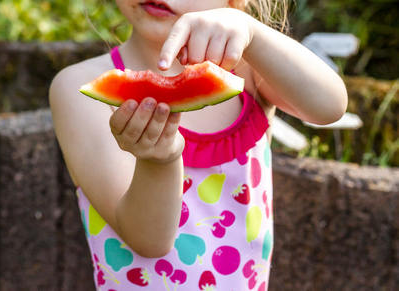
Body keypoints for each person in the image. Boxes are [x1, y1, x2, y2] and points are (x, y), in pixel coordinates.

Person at [49, 0, 348, 289]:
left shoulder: (248, 72)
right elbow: (148, 241)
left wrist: (251, 33)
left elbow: (329, 107)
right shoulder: (79, 89)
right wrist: (159, 160)